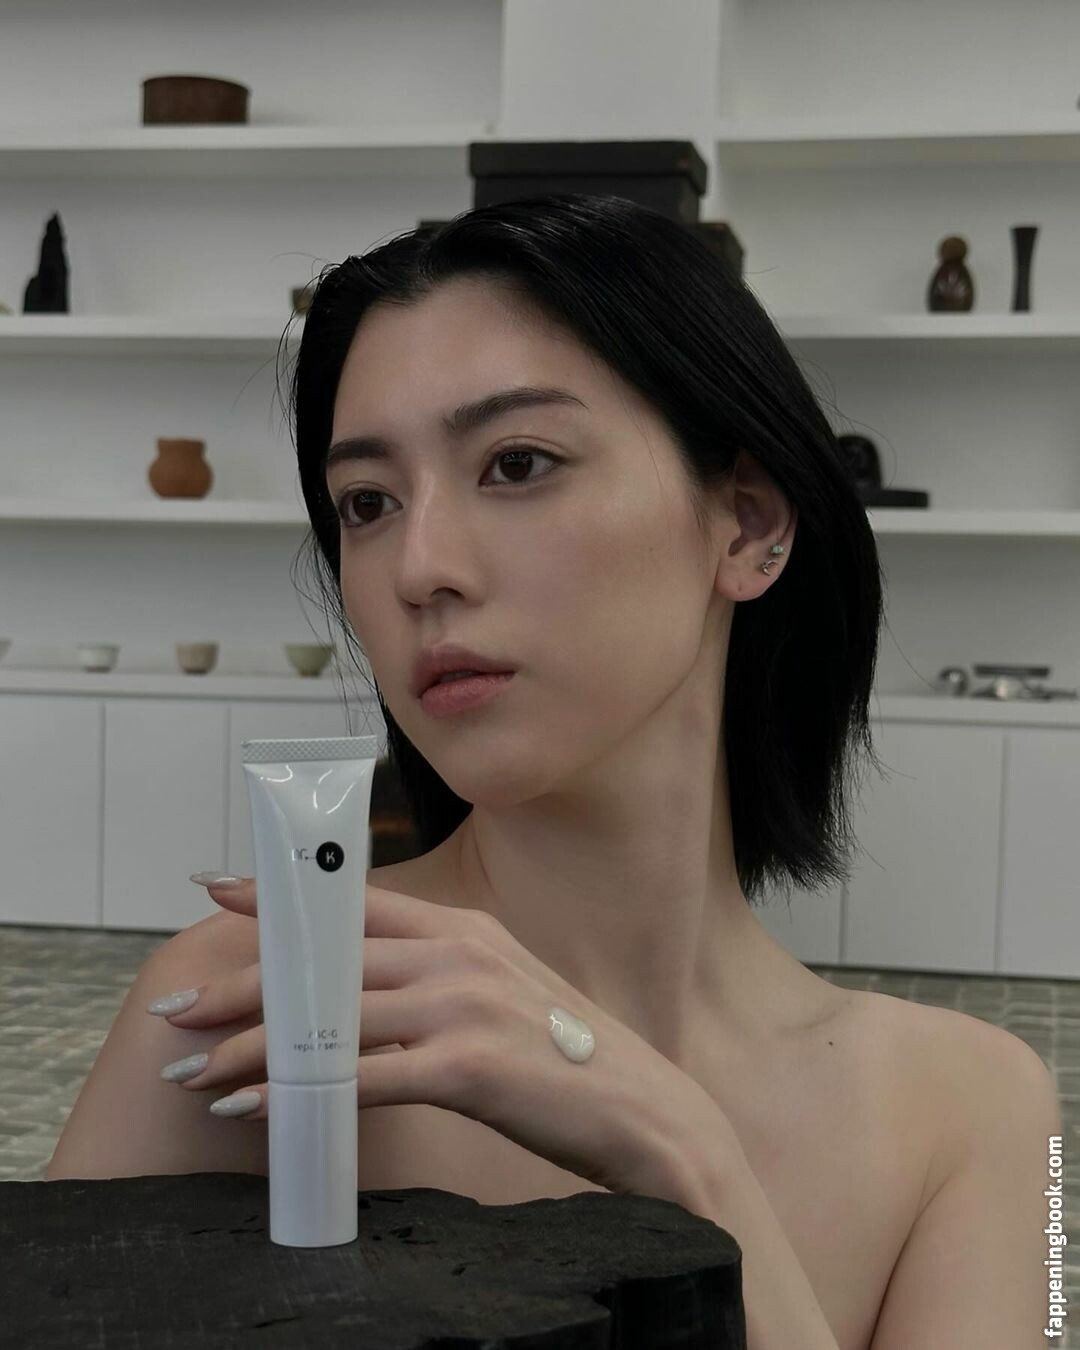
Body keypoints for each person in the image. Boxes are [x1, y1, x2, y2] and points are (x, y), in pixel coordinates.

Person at [48, 195, 1062, 1349]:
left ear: (745, 525)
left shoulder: (979, 1111)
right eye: (367, 503)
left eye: (517, 463)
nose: (420, 567)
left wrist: (688, 1161)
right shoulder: (260, 1009)